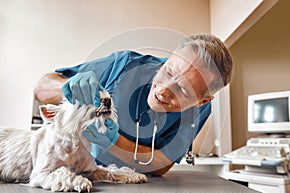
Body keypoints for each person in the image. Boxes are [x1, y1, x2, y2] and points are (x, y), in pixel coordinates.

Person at [34, 34, 233, 176]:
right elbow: (41, 88)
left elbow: (162, 165)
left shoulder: (199, 111)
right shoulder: (123, 64)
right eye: (168, 71)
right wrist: (70, 89)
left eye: (183, 90)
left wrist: (114, 143)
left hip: (132, 184)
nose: (162, 90)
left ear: (202, 101)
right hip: (70, 171)